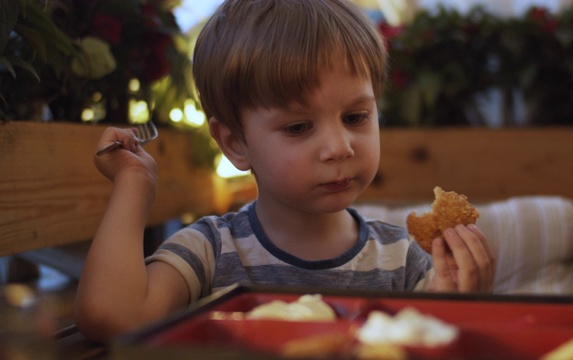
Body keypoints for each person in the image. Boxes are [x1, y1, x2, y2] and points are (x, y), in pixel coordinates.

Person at [74, 0, 495, 343]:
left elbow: (431, 342)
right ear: (235, 142)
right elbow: (116, 319)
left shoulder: (405, 261)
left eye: (355, 117)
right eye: (298, 127)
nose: (339, 147)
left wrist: (459, 303)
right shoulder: (210, 251)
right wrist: (134, 186)